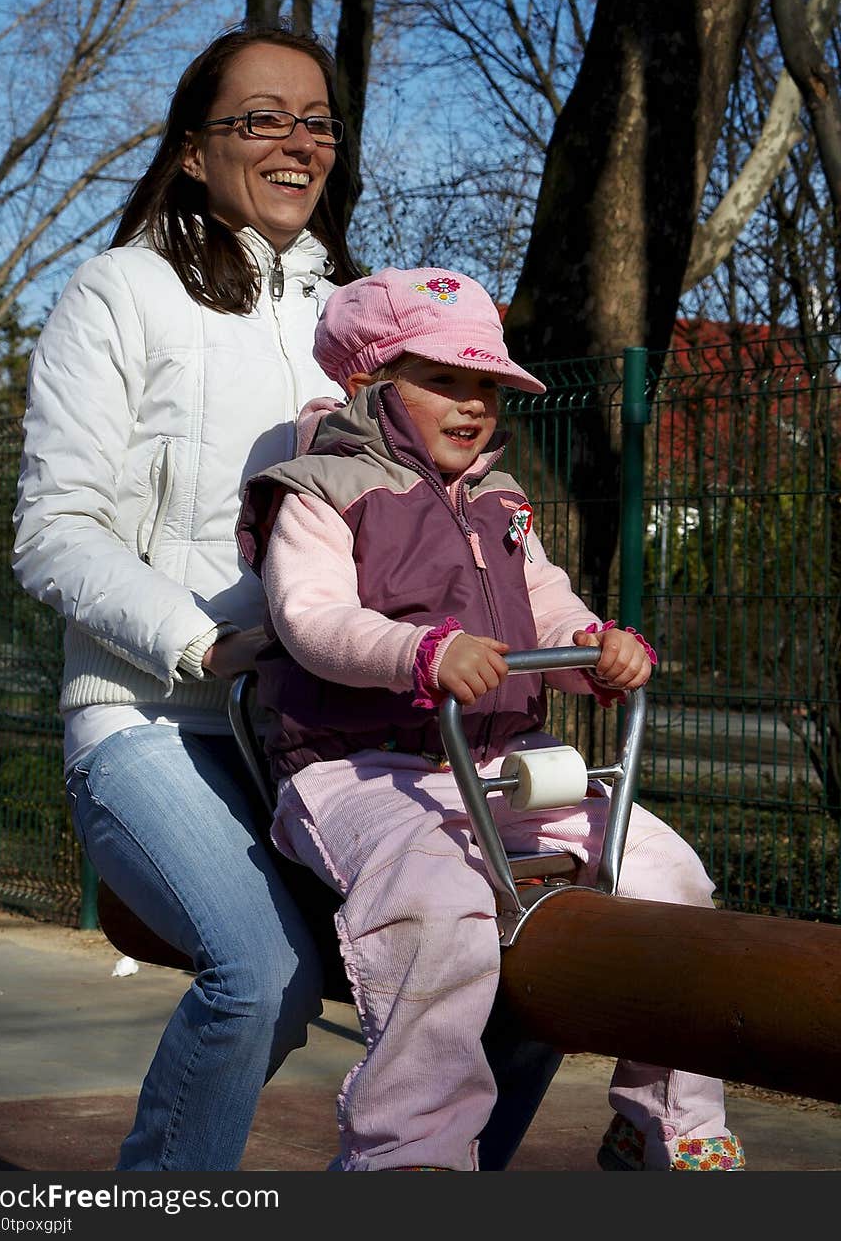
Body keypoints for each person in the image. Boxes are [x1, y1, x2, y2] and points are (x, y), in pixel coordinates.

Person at [11, 24, 563, 1171]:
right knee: (262, 973)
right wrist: (202, 642)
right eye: (260, 118)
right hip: (156, 720)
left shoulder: (365, 325)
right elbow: (54, 531)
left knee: (531, 966)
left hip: (334, 736)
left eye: (314, 120)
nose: (295, 141)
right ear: (195, 149)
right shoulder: (121, 293)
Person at [236, 265, 746, 1173]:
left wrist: (595, 646)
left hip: (507, 754)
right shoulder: (320, 488)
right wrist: (419, 652)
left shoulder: (499, 498)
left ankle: (663, 1121)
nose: (473, 405)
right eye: (444, 380)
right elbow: (310, 618)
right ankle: (408, 1154)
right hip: (366, 766)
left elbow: (543, 598)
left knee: (672, 878)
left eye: (487, 385)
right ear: (367, 383)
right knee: (437, 907)